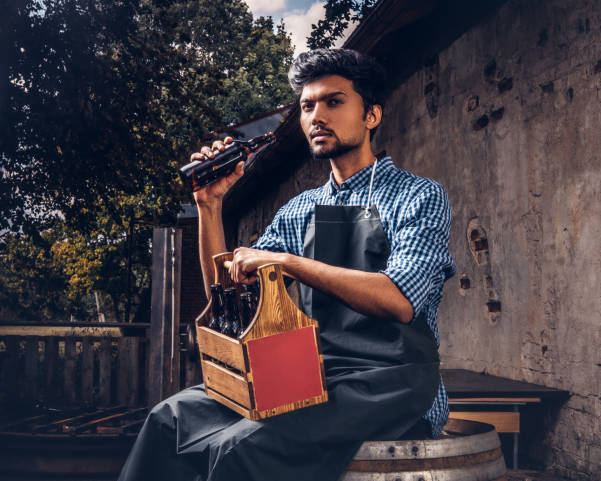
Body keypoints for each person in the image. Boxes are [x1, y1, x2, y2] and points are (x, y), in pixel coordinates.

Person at [118, 48, 455, 481]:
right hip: (311, 375)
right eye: (307, 106)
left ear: (371, 116)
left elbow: (399, 300)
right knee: (168, 419)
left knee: (238, 448)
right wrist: (210, 206)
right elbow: (230, 296)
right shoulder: (299, 209)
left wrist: (287, 261)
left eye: (334, 102)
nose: (317, 116)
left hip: (390, 385)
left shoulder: (420, 197)